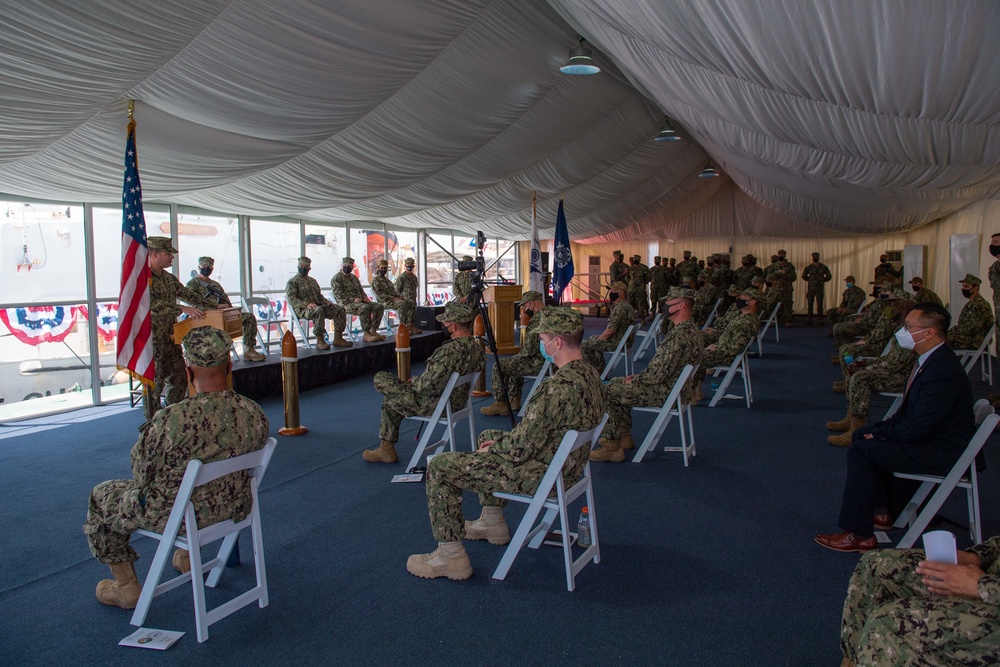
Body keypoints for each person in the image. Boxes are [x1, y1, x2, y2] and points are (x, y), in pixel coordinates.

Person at [406, 307, 605, 580]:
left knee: (440, 466)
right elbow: (537, 435)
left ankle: (450, 557)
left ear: (557, 343)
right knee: (488, 435)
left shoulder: (556, 388)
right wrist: (498, 444)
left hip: (539, 472)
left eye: (542, 338)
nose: (540, 344)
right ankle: (492, 522)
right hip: (565, 467)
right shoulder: (591, 375)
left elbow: (519, 448)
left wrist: (497, 450)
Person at [83, 327, 269, 608]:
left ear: (187, 369)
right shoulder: (254, 413)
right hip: (233, 507)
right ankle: (185, 557)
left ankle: (127, 588)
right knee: (195, 488)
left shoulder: (171, 421)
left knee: (102, 496)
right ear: (229, 366)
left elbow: (141, 476)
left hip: (178, 516)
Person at [815, 302, 975, 553]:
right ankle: (881, 513)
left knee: (863, 449)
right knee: (862, 436)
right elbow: (909, 414)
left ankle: (859, 534)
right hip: (932, 439)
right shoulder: (932, 359)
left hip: (940, 450)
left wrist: (881, 433)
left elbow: (919, 428)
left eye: (909, 326)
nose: (903, 331)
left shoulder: (941, 370)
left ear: (930, 332)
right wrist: (879, 429)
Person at [839, 536, 1000, 666]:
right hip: (989, 578)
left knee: (888, 622)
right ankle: (855, 661)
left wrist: (982, 585)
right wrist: (976, 557)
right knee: (874, 567)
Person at [590, 286, 703, 463]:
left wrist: (639, 378)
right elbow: (662, 369)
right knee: (618, 382)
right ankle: (623, 435)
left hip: (666, 391)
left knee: (607, 391)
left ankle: (613, 447)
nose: (664, 306)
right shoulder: (691, 330)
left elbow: (656, 375)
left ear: (680, 305)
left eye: (668, 303)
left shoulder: (679, 336)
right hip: (675, 387)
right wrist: (637, 377)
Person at [362, 302, 485, 463]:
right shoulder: (476, 348)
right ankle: (386, 449)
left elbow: (427, 387)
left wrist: (412, 383)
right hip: (458, 402)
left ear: (453, 327)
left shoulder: (449, 351)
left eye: (446, 323)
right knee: (392, 399)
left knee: (381, 379)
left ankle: (386, 449)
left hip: (437, 404)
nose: (444, 325)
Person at [146, 236, 219, 416]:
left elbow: (187, 294)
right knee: (155, 384)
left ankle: (171, 418)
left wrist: (214, 307)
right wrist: (181, 308)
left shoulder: (168, 278)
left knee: (178, 379)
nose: (172, 258)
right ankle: (151, 425)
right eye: (168, 254)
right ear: (155, 255)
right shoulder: (142, 278)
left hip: (171, 336)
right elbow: (150, 305)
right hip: (152, 339)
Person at [827, 315, 917, 447]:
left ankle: (856, 430)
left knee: (859, 377)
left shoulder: (911, 335)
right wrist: (864, 363)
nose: (890, 307)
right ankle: (851, 416)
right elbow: (889, 359)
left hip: (904, 377)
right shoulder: (901, 328)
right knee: (852, 366)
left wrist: (865, 367)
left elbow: (894, 364)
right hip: (894, 370)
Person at [185, 256, 265, 361]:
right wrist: (215, 306)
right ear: (199, 267)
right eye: (204, 266)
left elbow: (225, 300)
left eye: (209, 266)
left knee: (249, 317)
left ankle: (248, 349)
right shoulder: (192, 284)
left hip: (221, 315)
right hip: (204, 317)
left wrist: (228, 307)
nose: (207, 268)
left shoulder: (214, 285)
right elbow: (192, 303)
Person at [480, 290, 546, 416]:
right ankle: (514, 400)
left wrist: (517, 357)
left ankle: (501, 403)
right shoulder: (551, 315)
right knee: (516, 362)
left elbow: (529, 351)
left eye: (525, 306)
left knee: (501, 365)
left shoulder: (537, 320)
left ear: (532, 304)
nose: (525, 309)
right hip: (552, 361)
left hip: (539, 362)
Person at [691, 289, 759, 401]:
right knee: (698, 349)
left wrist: (716, 347)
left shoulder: (745, 323)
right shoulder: (744, 317)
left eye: (744, 298)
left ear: (752, 302)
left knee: (692, 356)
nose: (739, 299)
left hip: (725, 355)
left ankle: (692, 391)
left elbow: (736, 347)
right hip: (723, 350)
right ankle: (696, 389)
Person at [285, 256, 351, 350]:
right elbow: (292, 299)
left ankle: (338, 338)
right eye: (301, 265)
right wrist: (306, 304)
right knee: (318, 310)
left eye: (306, 266)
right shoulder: (292, 282)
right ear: (298, 266)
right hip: (302, 309)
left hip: (317, 306)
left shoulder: (312, 281)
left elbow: (319, 296)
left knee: (339, 309)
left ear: (309, 268)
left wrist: (327, 302)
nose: (303, 268)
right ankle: (320, 340)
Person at [581, 281, 636, 373]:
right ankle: (599, 369)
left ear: (621, 293)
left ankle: (597, 372)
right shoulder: (628, 306)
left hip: (618, 342)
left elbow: (610, 331)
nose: (611, 293)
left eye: (613, 291)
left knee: (585, 345)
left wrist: (598, 340)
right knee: (592, 339)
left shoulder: (619, 308)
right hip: (625, 341)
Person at [331, 256, 385, 343]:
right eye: (346, 265)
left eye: (350, 266)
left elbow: (360, 290)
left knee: (379, 306)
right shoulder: (336, 279)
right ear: (342, 265)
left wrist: (364, 297)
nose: (348, 267)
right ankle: (366, 334)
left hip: (360, 301)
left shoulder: (353, 278)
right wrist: (353, 300)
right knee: (364, 308)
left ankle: (373, 331)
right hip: (346, 304)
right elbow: (339, 295)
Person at [371, 259, 421, 334]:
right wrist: (392, 298)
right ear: (378, 268)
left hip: (393, 300)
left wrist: (399, 297)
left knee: (411, 302)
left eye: (385, 268)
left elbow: (394, 291)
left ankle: (410, 325)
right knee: (402, 304)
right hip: (384, 302)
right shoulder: (375, 281)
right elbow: (379, 295)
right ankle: (402, 327)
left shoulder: (387, 281)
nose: (384, 270)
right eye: (382, 268)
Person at [946, 274, 993, 350]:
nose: (963, 289)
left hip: (976, 340)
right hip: (969, 338)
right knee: (938, 338)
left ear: (975, 288)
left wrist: (952, 333)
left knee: (939, 341)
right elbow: (963, 326)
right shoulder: (971, 304)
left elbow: (971, 329)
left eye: (967, 286)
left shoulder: (980, 306)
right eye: (963, 286)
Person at [801, 252, 832, 325]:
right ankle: (809, 319)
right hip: (811, 288)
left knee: (820, 304)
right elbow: (803, 275)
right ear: (812, 258)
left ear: (819, 258)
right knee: (810, 304)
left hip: (819, 288)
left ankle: (820, 319)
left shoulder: (823, 267)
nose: (815, 258)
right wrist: (810, 280)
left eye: (816, 257)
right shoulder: (809, 267)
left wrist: (823, 280)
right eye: (814, 257)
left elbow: (829, 276)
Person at [627, 254, 650, 322]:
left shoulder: (644, 268)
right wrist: (631, 283)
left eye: (637, 259)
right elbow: (627, 277)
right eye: (634, 259)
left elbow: (647, 278)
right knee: (630, 303)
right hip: (631, 289)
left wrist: (642, 283)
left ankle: (642, 318)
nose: (635, 261)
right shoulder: (630, 268)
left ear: (639, 260)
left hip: (640, 288)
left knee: (641, 303)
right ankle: (631, 319)